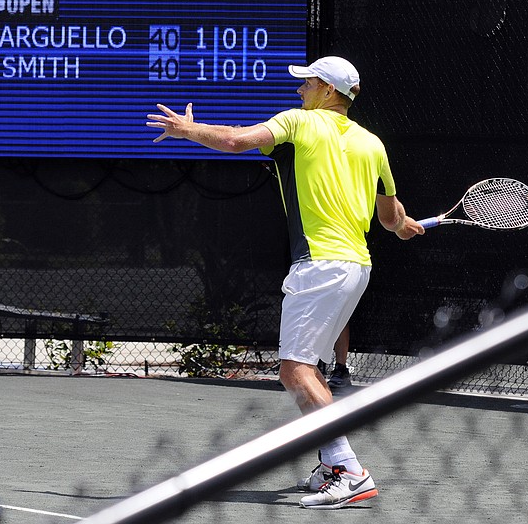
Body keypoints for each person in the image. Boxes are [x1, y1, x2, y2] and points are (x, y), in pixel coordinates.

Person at [146, 55, 424, 509]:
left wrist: (187, 130)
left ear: (329, 92)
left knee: (293, 369)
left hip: (319, 266)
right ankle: (332, 465)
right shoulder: (373, 144)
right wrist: (406, 225)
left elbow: (237, 142)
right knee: (310, 368)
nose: (300, 90)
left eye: (308, 83)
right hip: (356, 268)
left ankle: (349, 469)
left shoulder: (299, 123)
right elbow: (391, 218)